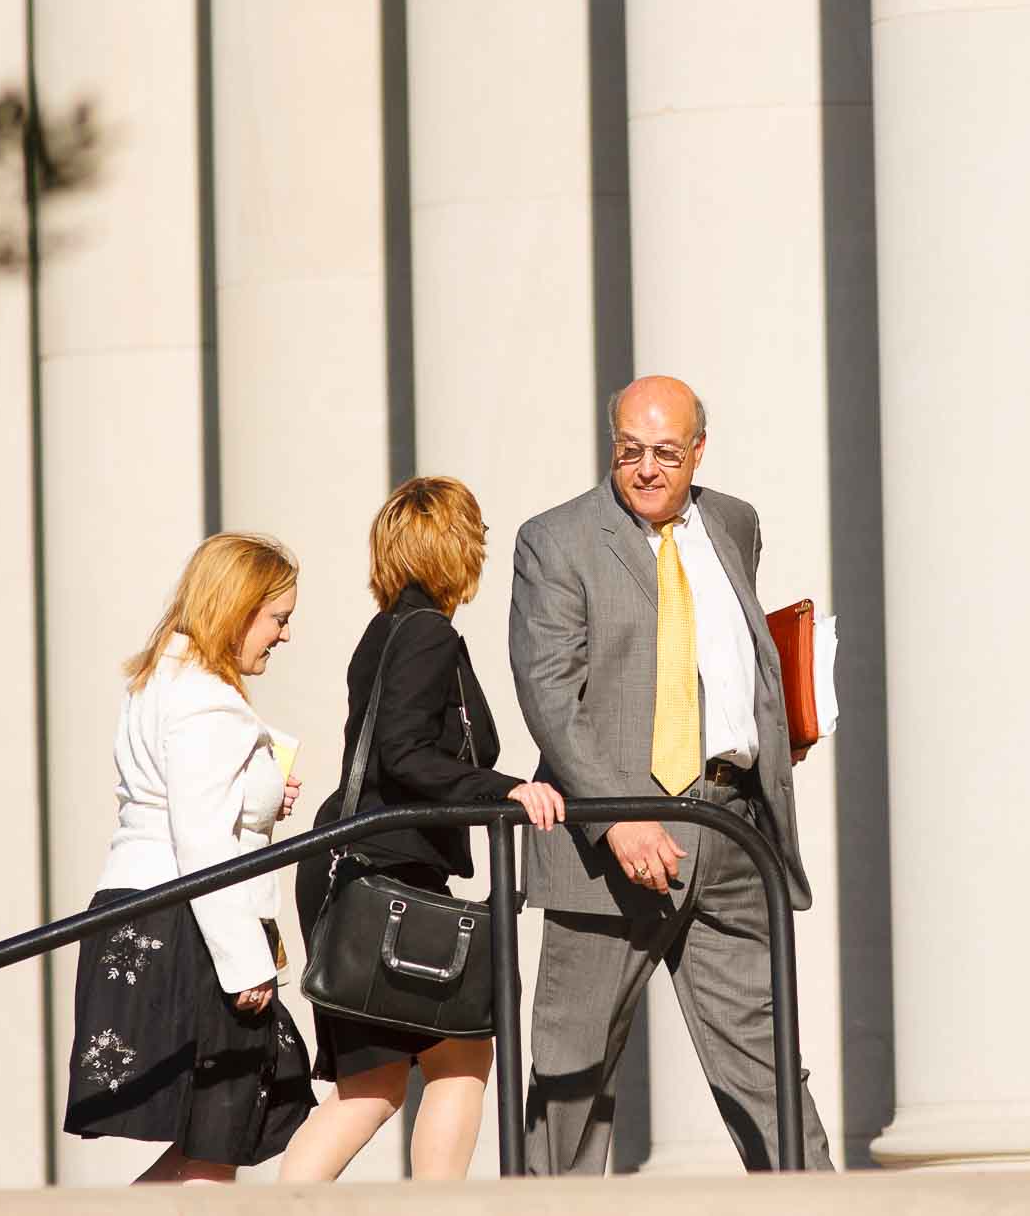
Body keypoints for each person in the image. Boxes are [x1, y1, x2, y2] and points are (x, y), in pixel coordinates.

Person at [509, 375, 834, 1173]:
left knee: (768, 1066)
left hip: (729, 830)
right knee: (571, 1076)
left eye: (663, 452)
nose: (645, 469)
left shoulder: (733, 522)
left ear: (697, 452)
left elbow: (731, 661)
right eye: (628, 451)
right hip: (608, 846)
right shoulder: (556, 540)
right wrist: (616, 817)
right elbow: (550, 694)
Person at [281, 476, 564, 1182]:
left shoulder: (387, 631)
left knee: (407, 1075)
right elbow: (405, 753)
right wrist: (509, 790)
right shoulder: (427, 634)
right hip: (387, 872)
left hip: (363, 866)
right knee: (404, 1079)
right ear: (457, 547)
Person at [63, 532, 316, 1184]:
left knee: (212, 1140)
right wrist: (243, 963)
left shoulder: (159, 683)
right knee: (217, 1137)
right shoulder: (208, 700)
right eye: (277, 619)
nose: (284, 636)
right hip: (192, 926)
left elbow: (180, 805)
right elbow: (202, 841)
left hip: (143, 909)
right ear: (237, 610)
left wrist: (260, 793)